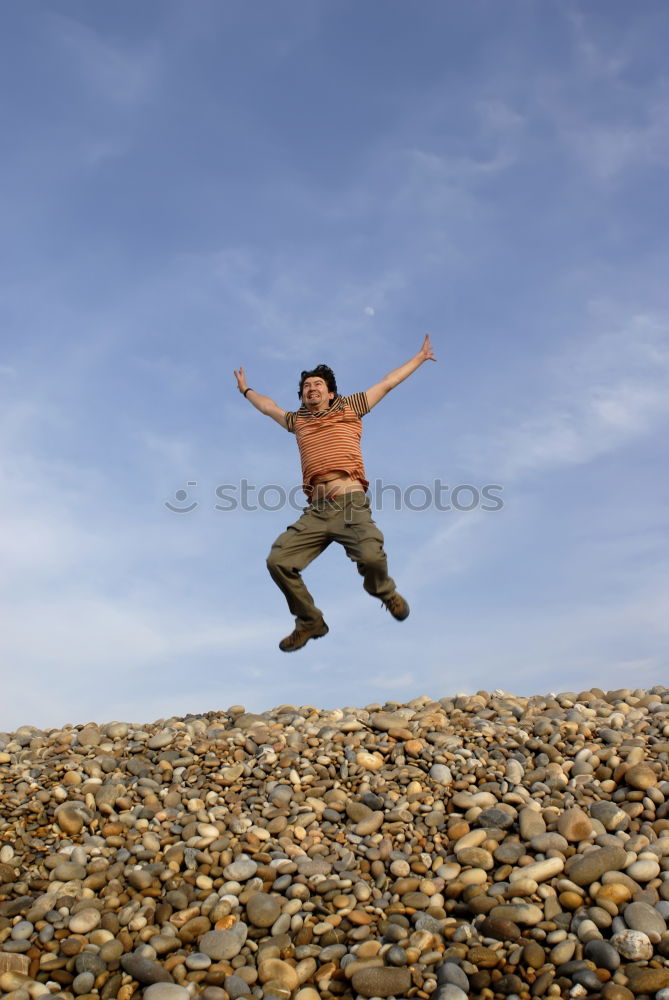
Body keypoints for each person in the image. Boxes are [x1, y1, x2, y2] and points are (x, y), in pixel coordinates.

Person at [233, 334, 436, 651]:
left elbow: (387, 383)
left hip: (351, 503)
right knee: (278, 561)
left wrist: (419, 358)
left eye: (317, 385)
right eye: (305, 387)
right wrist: (246, 390)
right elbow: (268, 407)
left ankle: (384, 591)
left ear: (330, 392)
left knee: (370, 556)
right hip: (315, 510)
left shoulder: (350, 407)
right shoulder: (297, 420)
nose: (310, 389)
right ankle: (310, 621)